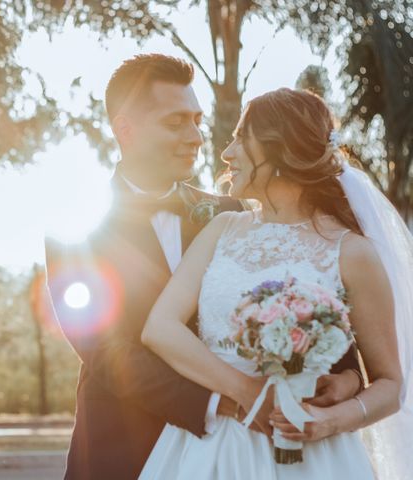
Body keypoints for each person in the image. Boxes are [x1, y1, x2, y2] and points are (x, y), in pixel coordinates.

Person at [44, 56, 364, 479]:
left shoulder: (233, 214)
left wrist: (346, 378)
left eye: (197, 120)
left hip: (239, 455)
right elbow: (107, 350)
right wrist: (225, 401)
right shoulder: (74, 234)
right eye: (176, 122)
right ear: (126, 130)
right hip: (121, 449)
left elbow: (305, 298)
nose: (196, 137)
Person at [140, 87, 408, 479]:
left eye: (239, 139)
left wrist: (330, 421)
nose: (226, 153)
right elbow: (159, 328)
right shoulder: (222, 229)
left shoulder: (352, 253)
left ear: (279, 150)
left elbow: (389, 384)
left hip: (312, 449)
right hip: (211, 448)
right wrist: (247, 395)